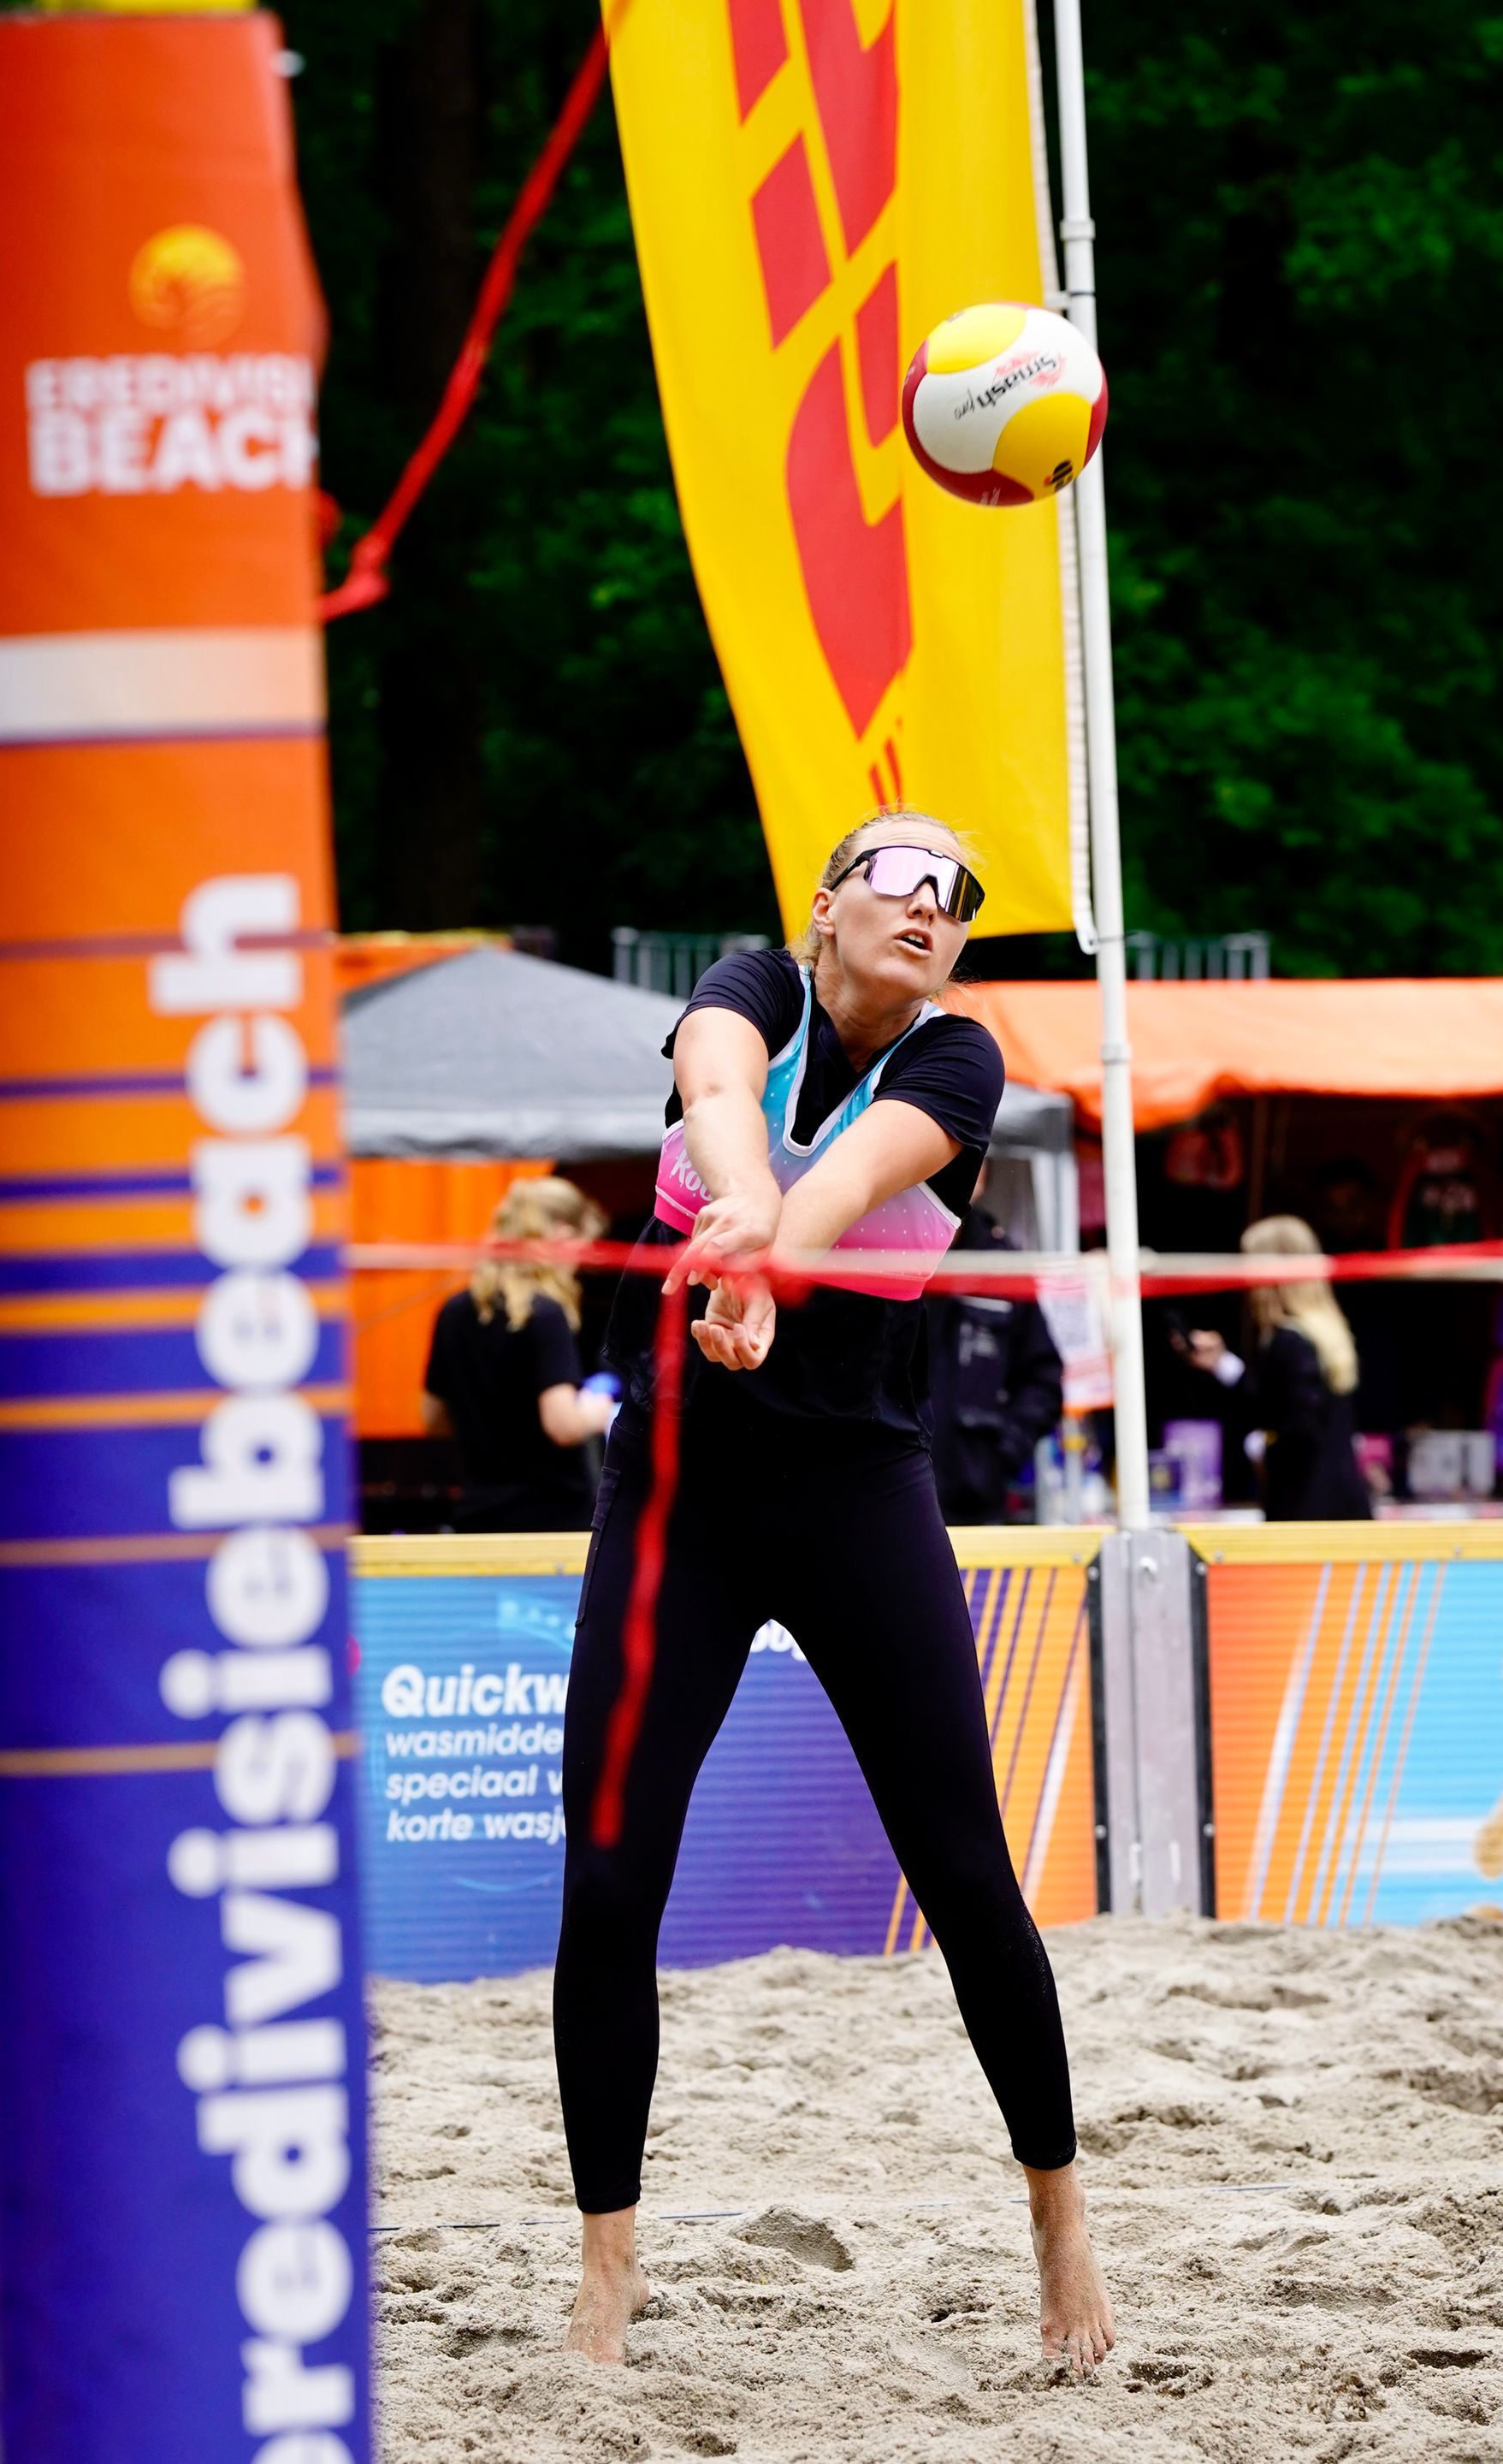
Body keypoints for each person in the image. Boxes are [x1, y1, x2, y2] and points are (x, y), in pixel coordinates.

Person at [553, 812, 1115, 2375]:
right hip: (678, 1494)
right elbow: (723, 1098)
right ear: (826, 905)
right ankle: (611, 2260)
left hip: (858, 1494)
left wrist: (758, 1261)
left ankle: (1057, 2211)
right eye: (904, 875)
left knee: (968, 1877)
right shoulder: (745, 986)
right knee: (606, 1879)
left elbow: (860, 1169)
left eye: (959, 896)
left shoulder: (959, 1059)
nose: (934, 906)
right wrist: (740, 1225)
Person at [421, 1176, 615, 1532]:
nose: (578, 1266)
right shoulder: (546, 1314)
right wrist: (598, 1408)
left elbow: (432, 1417)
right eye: (580, 1249)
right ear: (559, 1235)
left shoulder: (452, 1311)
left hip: (478, 1515)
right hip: (551, 1522)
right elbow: (563, 1425)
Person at [1177, 1214, 1373, 1520]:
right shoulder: (1323, 1333)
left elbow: (1299, 1428)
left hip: (1308, 1514)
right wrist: (1223, 1364)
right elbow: (1279, 1403)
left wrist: (1261, 1449)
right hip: (1338, 1508)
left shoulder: (1290, 1340)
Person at [926, 1174, 1064, 1523]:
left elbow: (1043, 1379)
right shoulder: (882, 1254)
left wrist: (1001, 1449)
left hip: (976, 1505)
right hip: (888, 1494)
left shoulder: (1003, 1266)